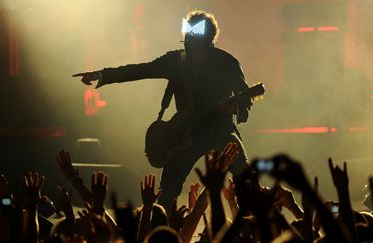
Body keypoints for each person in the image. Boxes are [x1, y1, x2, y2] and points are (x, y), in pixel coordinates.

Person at [73, 10, 253, 211]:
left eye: (196, 30)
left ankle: (252, 222)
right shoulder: (175, 61)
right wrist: (101, 75)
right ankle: (164, 227)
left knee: (245, 177)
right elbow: (141, 70)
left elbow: (245, 95)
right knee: (168, 187)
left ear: (209, 36)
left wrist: (236, 108)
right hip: (188, 133)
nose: (190, 35)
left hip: (220, 128)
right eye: (188, 29)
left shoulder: (226, 62)